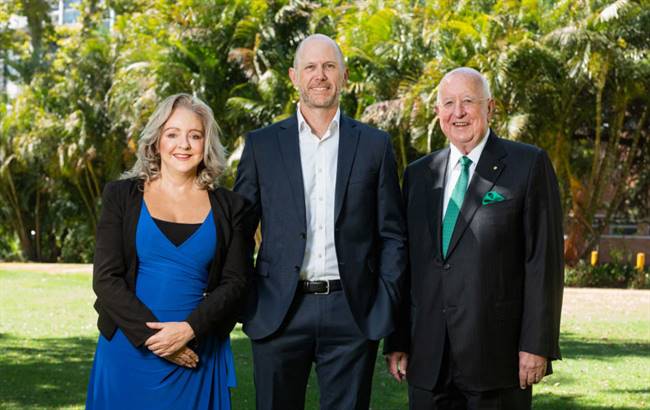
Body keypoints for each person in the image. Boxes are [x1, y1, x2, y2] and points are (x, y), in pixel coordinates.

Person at [234, 34, 407, 410]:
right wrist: (249, 299)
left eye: (329, 66)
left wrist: (384, 302)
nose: (320, 75)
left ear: (343, 76)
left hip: (352, 312)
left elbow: (392, 235)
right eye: (311, 67)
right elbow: (239, 232)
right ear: (295, 76)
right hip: (277, 310)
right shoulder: (262, 145)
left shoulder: (374, 145)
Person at [384, 67, 564, 409]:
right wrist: (398, 340)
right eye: (448, 103)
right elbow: (407, 264)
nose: (458, 113)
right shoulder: (419, 175)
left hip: (498, 360)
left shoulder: (528, 164)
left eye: (468, 101)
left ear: (490, 107)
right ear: (438, 112)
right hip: (428, 358)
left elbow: (544, 262)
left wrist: (537, 344)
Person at [86, 93, 254, 410]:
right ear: (156, 140)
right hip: (127, 351)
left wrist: (189, 331)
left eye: (195, 136)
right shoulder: (121, 196)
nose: (184, 145)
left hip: (197, 353)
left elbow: (237, 283)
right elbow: (106, 279)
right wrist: (161, 343)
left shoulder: (231, 207)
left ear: (207, 144)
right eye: (173, 134)